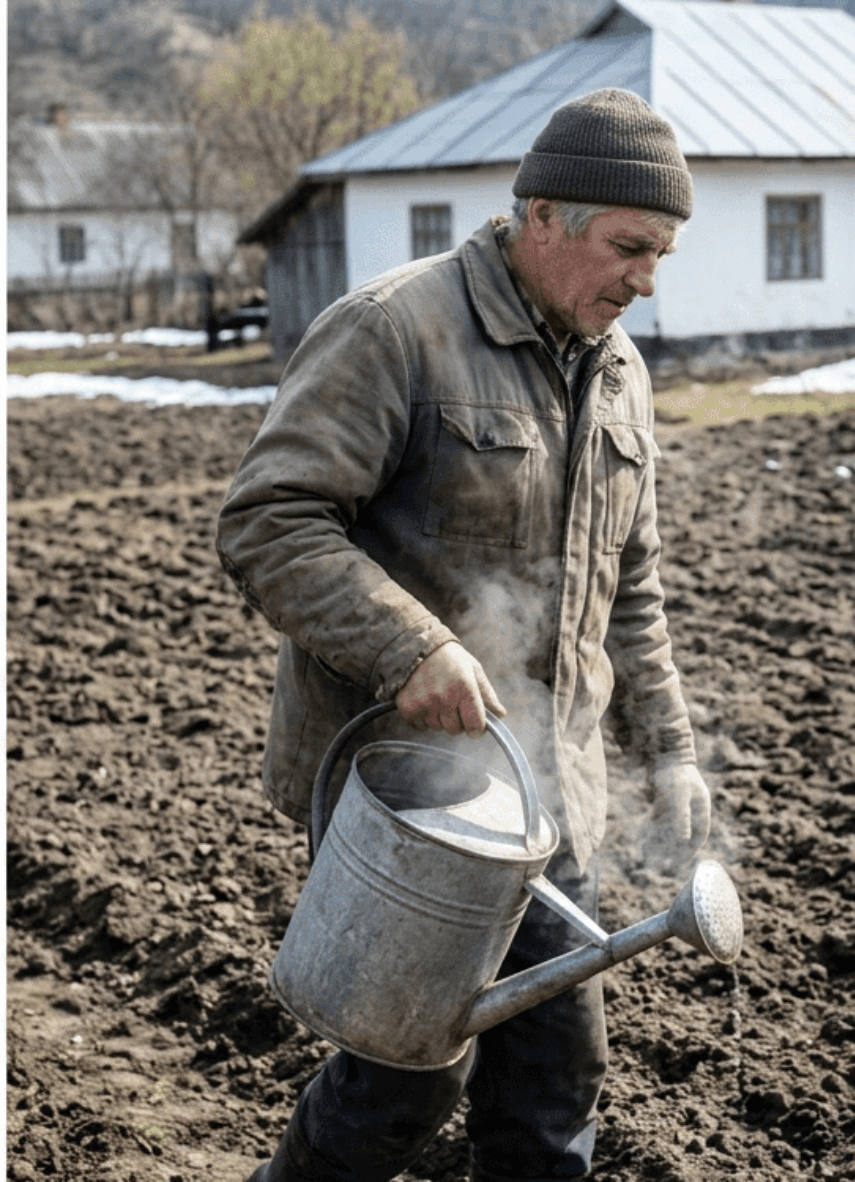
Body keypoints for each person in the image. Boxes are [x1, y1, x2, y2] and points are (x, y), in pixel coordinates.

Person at [219, 87, 713, 1182]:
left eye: (663, 254)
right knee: (408, 1074)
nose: (646, 281)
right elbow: (269, 521)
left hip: (551, 789)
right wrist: (413, 647)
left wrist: (668, 746)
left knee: (555, 1071)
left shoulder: (620, 373)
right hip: (406, 792)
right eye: (630, 248)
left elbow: (631, 585)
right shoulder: (398, 329)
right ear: (544, 217)